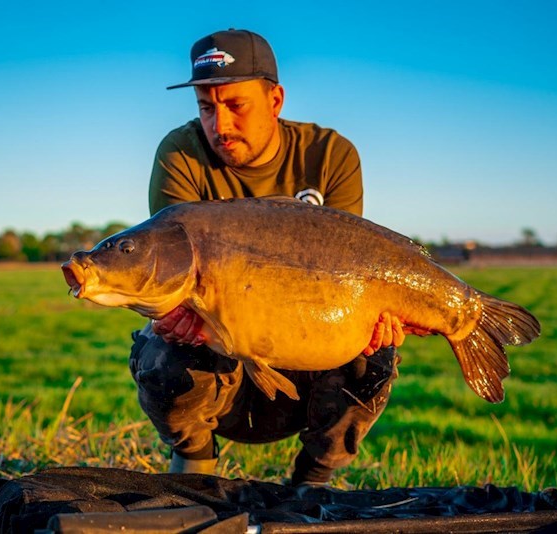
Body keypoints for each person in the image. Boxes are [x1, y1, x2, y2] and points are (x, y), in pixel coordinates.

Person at [129, 28, 400, 486]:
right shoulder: (180, 154)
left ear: (275, 100)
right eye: (206, 107)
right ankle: (194, 467)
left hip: (306, 350)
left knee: (373, 353)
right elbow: (173, 277)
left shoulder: (330, 155)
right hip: (217, 356)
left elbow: (345, 274)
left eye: (236, 105)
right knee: (164, 348)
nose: (220, 125)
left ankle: (313, 481)